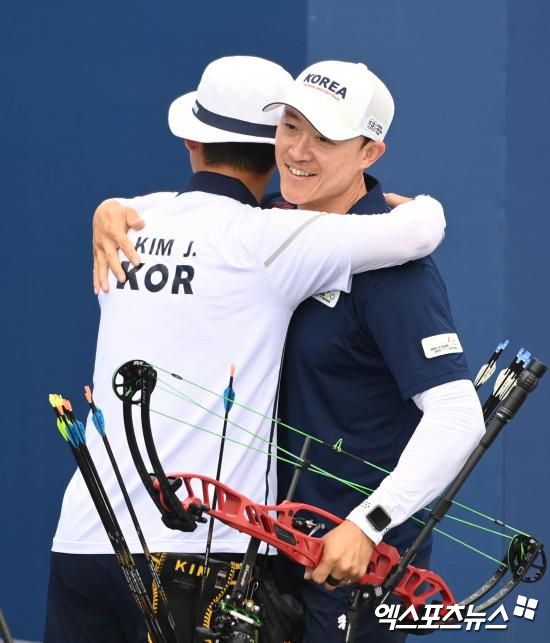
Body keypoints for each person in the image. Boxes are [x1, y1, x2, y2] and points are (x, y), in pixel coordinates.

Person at [45, 55, 447, 643]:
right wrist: (426, 207)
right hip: (199, 551)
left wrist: (103, 209)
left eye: (322, 137)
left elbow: (453, 413)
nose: (301, 149)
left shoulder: (131, 218)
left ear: (190, 140)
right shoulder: (269, 236)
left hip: (83, 537)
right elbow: (419, 233)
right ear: (273, 144)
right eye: (292, 130)